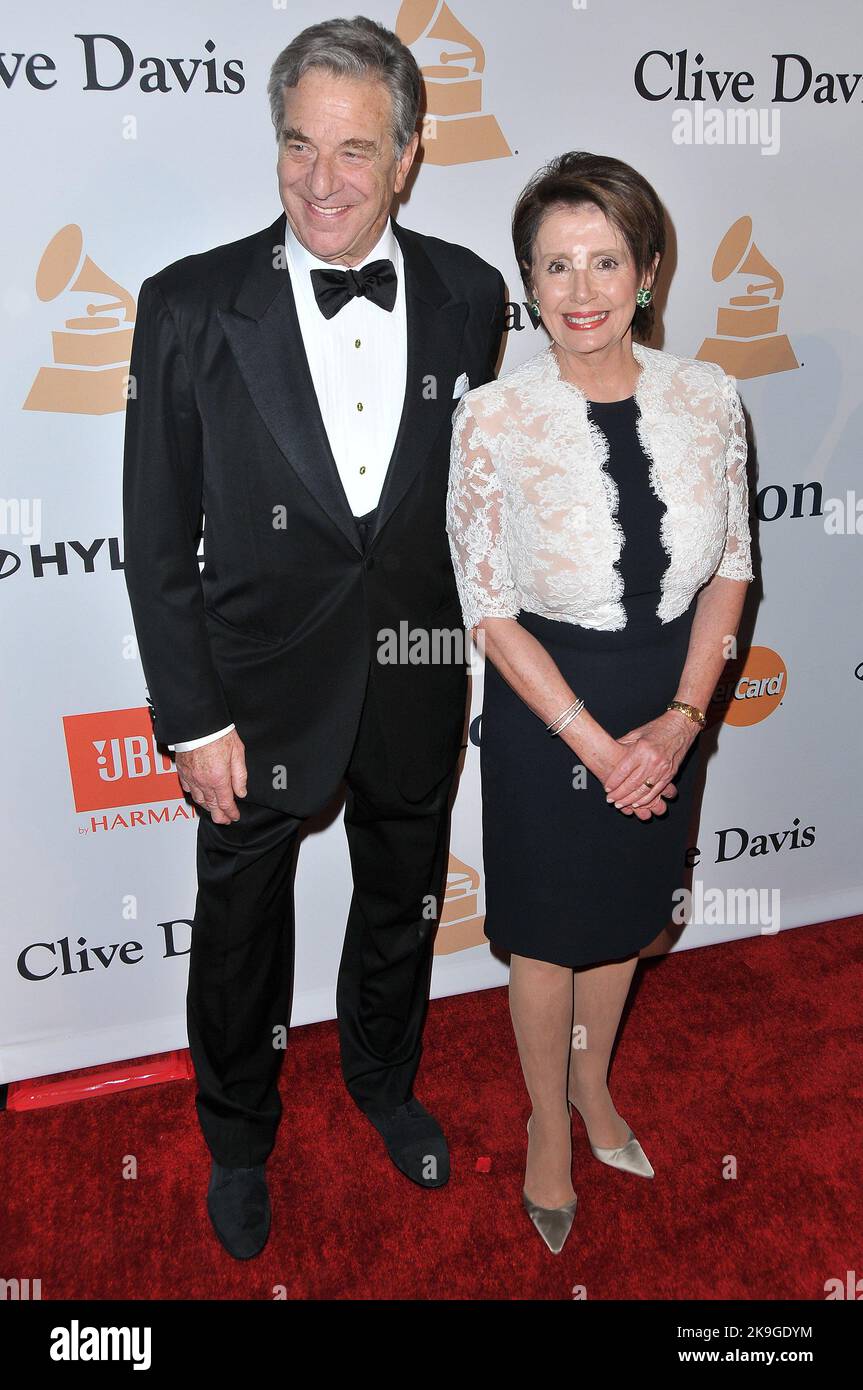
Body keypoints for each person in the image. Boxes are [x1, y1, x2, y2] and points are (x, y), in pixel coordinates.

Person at [122, 15, 505, 1260]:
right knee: (239, 933)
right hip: (250, 696)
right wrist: (191, 717)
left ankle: (384, 1083)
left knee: (398, 902)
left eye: (354, 150)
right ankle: (238, 1135)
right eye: (298, 145)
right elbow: (153, 535)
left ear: (406, 156)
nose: (321, 181)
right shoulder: (187, 306)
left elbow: (457, 503)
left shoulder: (468, 292)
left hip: (411, 680)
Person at [446, 151, 754, 1254]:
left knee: (625, 919)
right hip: (544, 708)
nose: (580, 290)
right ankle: (543, 1125)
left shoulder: (708, 394)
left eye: (604, 260)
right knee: (544, 936)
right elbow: (487, 608)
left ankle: (592, 1088)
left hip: (667, 698)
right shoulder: (490, 416)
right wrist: (589, 739)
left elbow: (728, 567)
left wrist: (678, 722)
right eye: (554, 265)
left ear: (649, 267)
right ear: (526, 281)